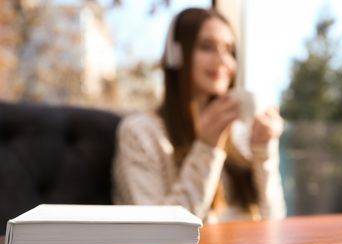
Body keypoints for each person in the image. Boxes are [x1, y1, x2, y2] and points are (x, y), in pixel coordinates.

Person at [112, 7, 286, 222]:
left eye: (230, 50)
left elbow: (275, 219)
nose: (223, 60)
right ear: (176, 55)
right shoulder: (140, 132)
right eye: (206, 47)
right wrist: (206, 148)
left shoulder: (240, 132)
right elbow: (157, 232)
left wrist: (263, 149)